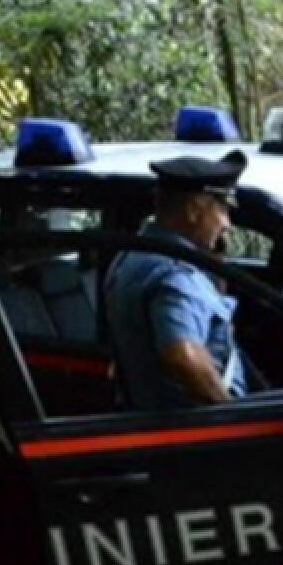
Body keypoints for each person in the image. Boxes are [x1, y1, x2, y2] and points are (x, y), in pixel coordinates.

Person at [106, 154, 248, 410]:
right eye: (223, 209)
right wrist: (232, 415)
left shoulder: (133, 256)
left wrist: (212, 264)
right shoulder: (175, 275)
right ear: (194, 210)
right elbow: (182, 358)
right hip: (196, 433)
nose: (228, 223)